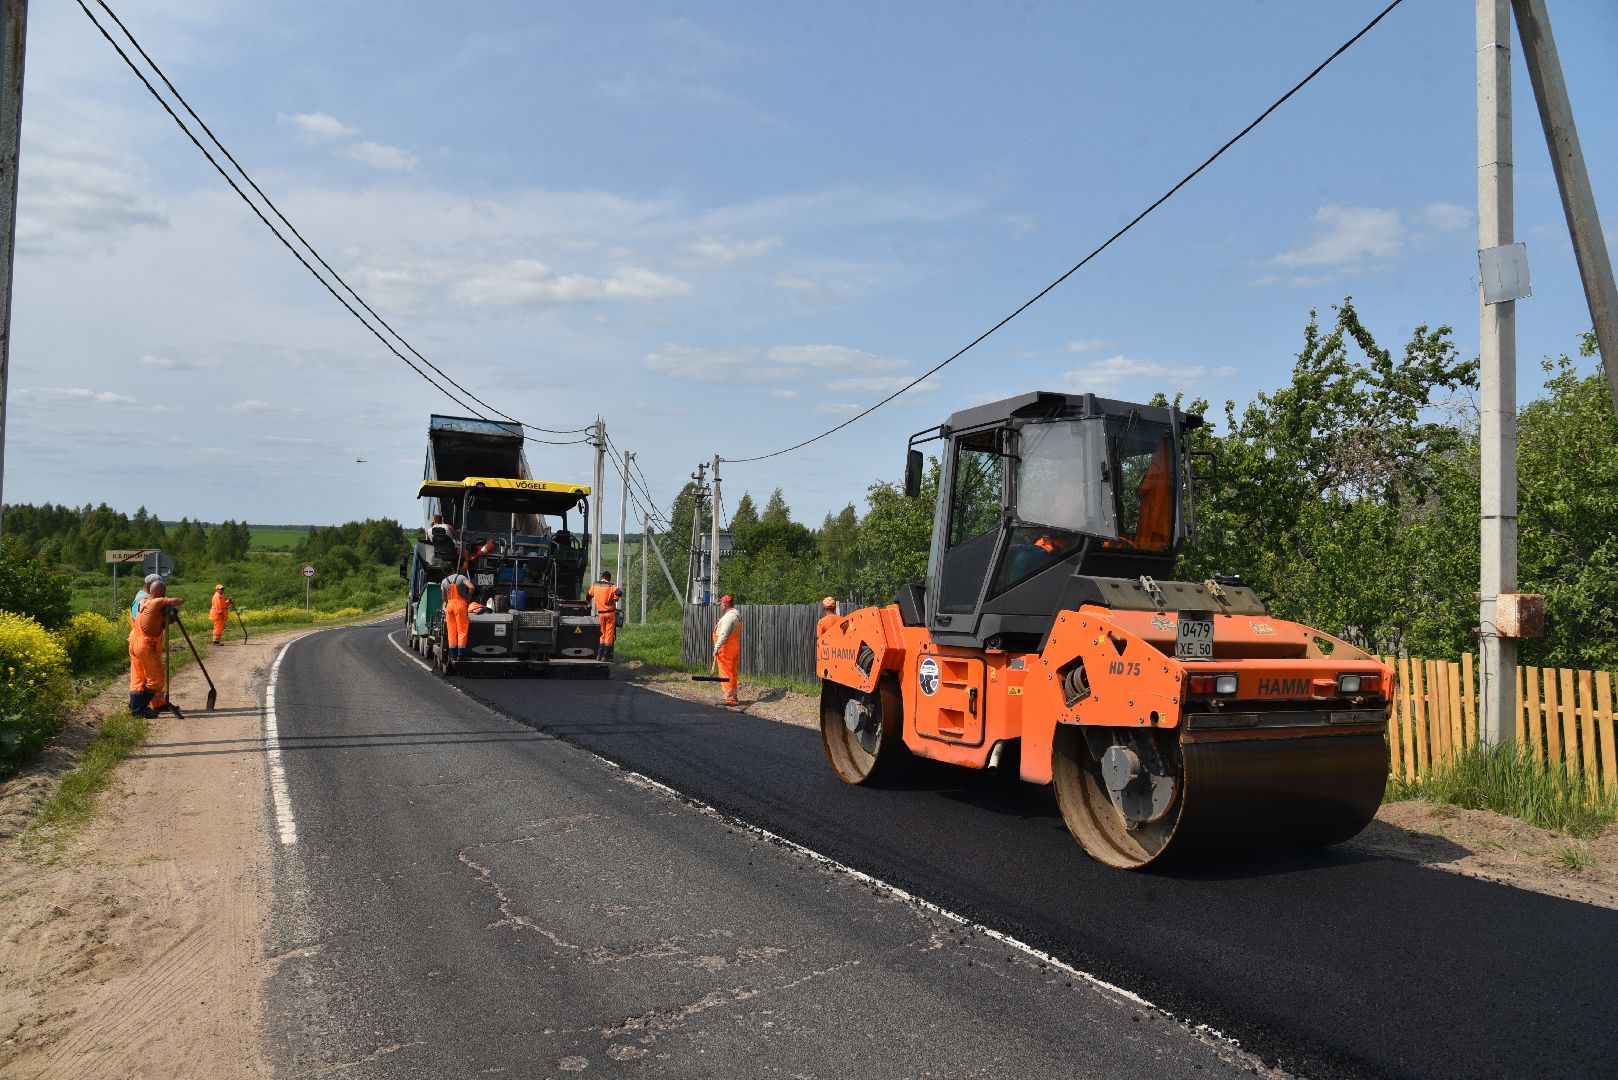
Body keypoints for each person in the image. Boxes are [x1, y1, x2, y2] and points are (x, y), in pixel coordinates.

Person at [129, 577, 184, 717]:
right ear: (162, 592)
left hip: (137, 641)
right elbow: (179, 600)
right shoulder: (156, 601)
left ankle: (137, 706)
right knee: (156, 679)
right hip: (146, 644)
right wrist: (169, 603)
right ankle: (139, 709)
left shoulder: (143, 600)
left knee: (140, 677)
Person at [712, 594, 743, 706]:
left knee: (725, 673)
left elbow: (724, 634)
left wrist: (716, 648)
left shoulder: (728, 617)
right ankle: (733, 696)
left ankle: (729, 699)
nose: (720, 606)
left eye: (721, 604)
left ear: (725, 605)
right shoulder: (736, 613)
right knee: (733, 672)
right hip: (734, 646)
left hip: (726, 648)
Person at [588, 570, 622, 661]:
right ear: (609, 578)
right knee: (609, 635)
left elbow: (589, 596)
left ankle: (599, 655)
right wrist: (615, 599)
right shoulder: (611, 586)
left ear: (602, 577)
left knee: (603, 635)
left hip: (601, 614)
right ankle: (605, 656)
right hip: (610, 614)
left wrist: (586, 603)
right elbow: (619, 592)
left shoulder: (595, 585)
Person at [442, 571, 472, 669]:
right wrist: (468, 596)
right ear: (453, 570)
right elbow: (471, 587)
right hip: (460, 605)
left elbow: (444, 597)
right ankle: (460, 654)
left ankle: (452, 655)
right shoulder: (461, 578)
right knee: (462, 630)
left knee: (451, 631)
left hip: (449, 606)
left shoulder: (444, 581)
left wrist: (449, 603)